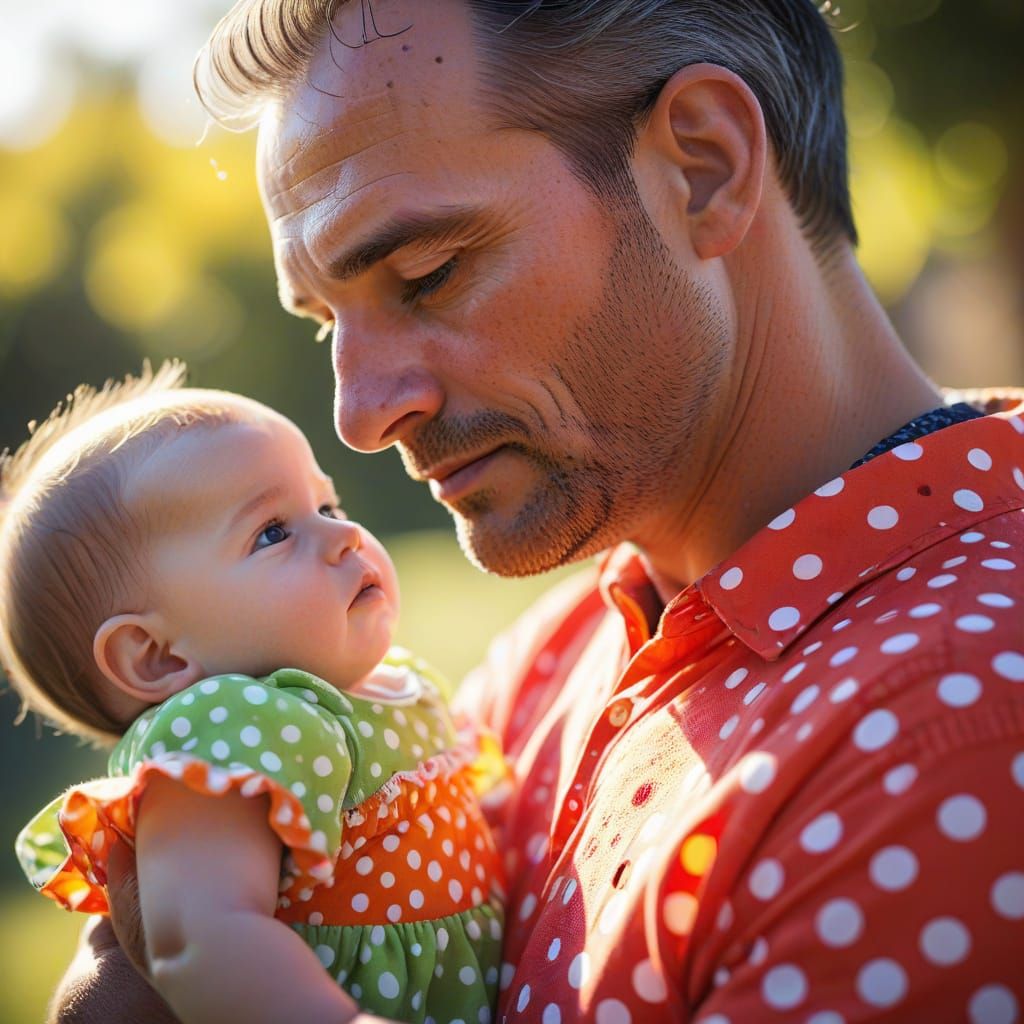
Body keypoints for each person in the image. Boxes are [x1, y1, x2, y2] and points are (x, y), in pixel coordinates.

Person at [49, 0, 1024, 1021]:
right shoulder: (547, 666)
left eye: (427, 274)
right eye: (328, 324)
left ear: (704, 165)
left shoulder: (957, 735)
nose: (361, 415)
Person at [1, 364, 506, 1024]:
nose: (345, 535)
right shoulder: (228, 731)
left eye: (327, 507)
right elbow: (201, 940)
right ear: (158, 656)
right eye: (273, 532)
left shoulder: (381, 690)